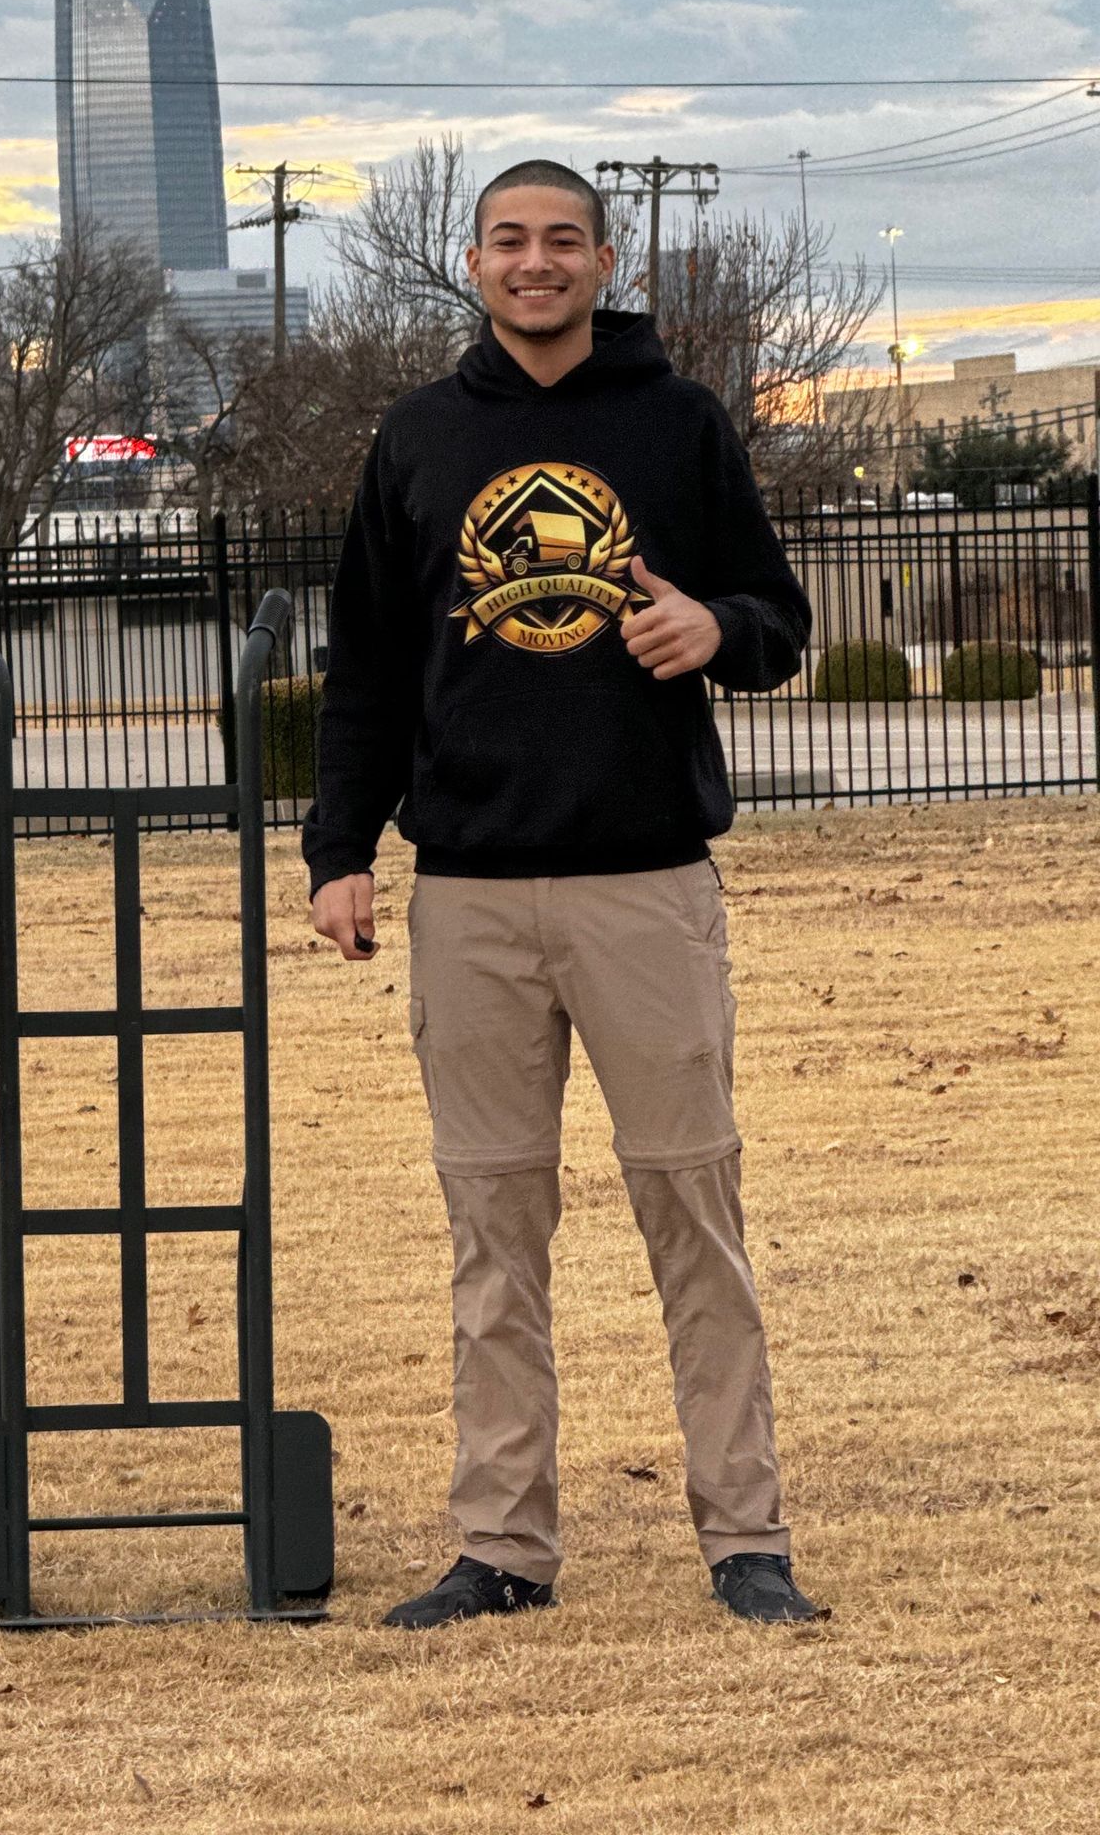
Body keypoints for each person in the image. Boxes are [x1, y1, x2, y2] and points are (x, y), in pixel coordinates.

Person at [304, 160, 821, 1629]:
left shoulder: (681, 423)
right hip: (467, 895)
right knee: (493, 1235)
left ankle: (746, 1540)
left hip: (646, 884)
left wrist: (711, 623)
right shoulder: (415, 437)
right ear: (470, 263)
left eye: (563, 242)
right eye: (510, 241)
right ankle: (503, 1548)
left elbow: (780, 623)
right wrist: (341, 853)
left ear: (605, 259)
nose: (536, 264)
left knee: (692, 1216)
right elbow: (367, 671)